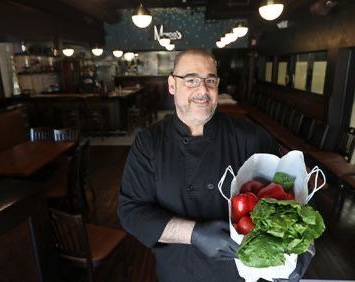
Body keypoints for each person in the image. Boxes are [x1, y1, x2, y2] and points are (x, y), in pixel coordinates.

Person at [118, 49, 305, 282]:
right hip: (178, 270)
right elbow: (131, 212)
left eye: (210, 80)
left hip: (242, 272)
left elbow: (290, 195)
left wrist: (298, 253)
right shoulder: (149, 143)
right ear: (172, 85)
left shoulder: (252, 137)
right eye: (191, 80)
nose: (203, 90)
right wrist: (194, 234)